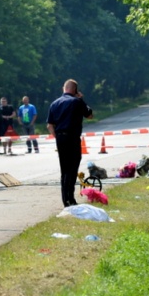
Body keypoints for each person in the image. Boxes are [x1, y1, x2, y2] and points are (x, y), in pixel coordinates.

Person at [47, 79, 94, 207]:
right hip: (72, 138)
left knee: (64, 169)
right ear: (75, 90)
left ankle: (65, 199)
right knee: (72, 168)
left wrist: (57, 137)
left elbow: (50, 125)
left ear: (64, 88)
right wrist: (82, 99)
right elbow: (89, 115)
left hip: (60, 138)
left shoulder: (54, 103)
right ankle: (70, 198)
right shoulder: (76, 102)